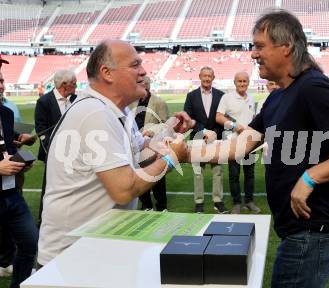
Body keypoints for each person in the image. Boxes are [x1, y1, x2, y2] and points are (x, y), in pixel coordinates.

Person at [183, 10, 329, 287]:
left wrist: (310, 177)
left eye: (260, 46)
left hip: (313, 228)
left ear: (286, 47)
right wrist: (182, 151)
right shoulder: (277, 97)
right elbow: (238, 147)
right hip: (297, 228)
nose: (253, 54)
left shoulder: (313, 86)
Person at [37, 40, 189, 266]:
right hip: (71, 260)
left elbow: (140, 154)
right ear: (107, 73)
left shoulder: (118, 110)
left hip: (96, 250)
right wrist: (172, 158)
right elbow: (124, 189)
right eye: (135, 64)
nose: (144, 71)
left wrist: (167, 131)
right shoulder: (95, 113)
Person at [0, 71, 38, 288]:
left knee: (30, 243)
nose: (2, 85)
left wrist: (20, 159)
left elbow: (8, 147)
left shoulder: (5, 113)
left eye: (3, 80)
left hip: (12, 195)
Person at [34, 69, 78, 225]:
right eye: (74, 83)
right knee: (50, 188)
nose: (76, 86)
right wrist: (51, 151)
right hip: (52, 154)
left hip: (74, 154)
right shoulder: (44, 101)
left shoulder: (76, 99)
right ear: (64, 84)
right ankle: (44, 219)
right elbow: (41, 128)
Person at [183, 66, 227, 214]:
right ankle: (199, 202)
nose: (207, 78)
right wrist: (203, 131)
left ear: (213, 78)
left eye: (210, 76)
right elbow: (188, 120)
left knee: (217, 171)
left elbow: (222, 118)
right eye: (204, 76)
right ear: (200, 77)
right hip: (197, 139)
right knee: (198, 172)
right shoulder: (191, 96)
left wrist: (214, 132)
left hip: (216, 139)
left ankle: (218, 201)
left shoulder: (221, 95)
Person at [216, 71, 260, 214]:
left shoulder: (251, 98)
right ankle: (236, 203)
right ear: (235, 82)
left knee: (250, 173)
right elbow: (218, 117)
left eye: (244, 81)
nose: (242, 84)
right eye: (239, 81)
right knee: (234, 173)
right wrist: (235, 126)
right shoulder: (226, 97)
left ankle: (249, 201)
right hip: (233, 141)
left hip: (249, 142)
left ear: (248, 82)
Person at [136, 76, 169, 212]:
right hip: (137, 145)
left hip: (154, 145)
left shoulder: (158, 102)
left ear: (147, 86)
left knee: (157, 176)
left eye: (141, 84)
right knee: (140, 174)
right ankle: (146, 205)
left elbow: (165, 125)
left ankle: (161, 206)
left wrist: (152, 131)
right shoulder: (132, 102)